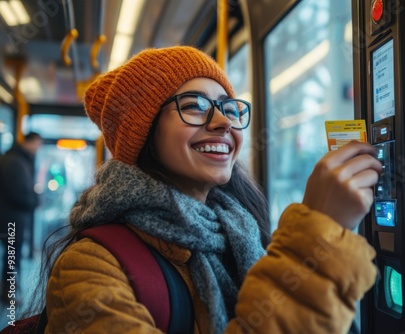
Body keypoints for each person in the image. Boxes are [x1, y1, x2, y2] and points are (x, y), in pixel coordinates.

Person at [37, 46, 382, 333]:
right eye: (194, 106)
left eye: (229, 108)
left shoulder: (242, 232)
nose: (223, 122)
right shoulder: (88, 266)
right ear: (142, 135)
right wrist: (317, 237)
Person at [0, 132, 43, 304]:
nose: (38, 148)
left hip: (9, 218)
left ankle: (10, 290)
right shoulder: (16, 162)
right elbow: (19, 194)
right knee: (12, 258)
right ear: (30, 142)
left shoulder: (14, 159)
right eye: (37, 144)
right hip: (11, 219)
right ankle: (9, 293)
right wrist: (36, 200)